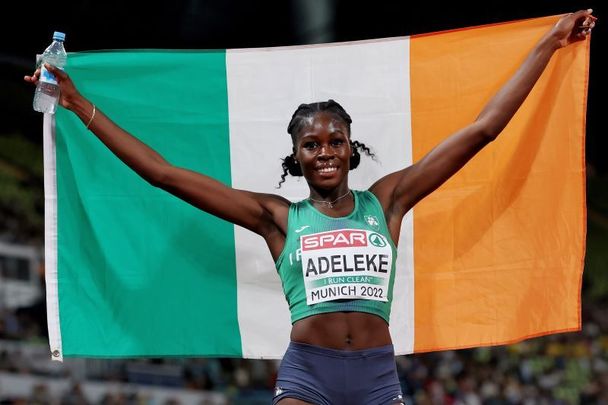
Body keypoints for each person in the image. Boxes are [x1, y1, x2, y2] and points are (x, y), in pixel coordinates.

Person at [25, 9, 595, 405]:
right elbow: (164, 175)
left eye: (335, 141)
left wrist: (549, 41)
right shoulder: (278, 218)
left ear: (352, 148)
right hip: (308, 378)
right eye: (311, 145)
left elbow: (484, 130)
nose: (325, 152)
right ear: (296, 157)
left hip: (375, 376)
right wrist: (76, 102)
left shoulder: (388, 201)